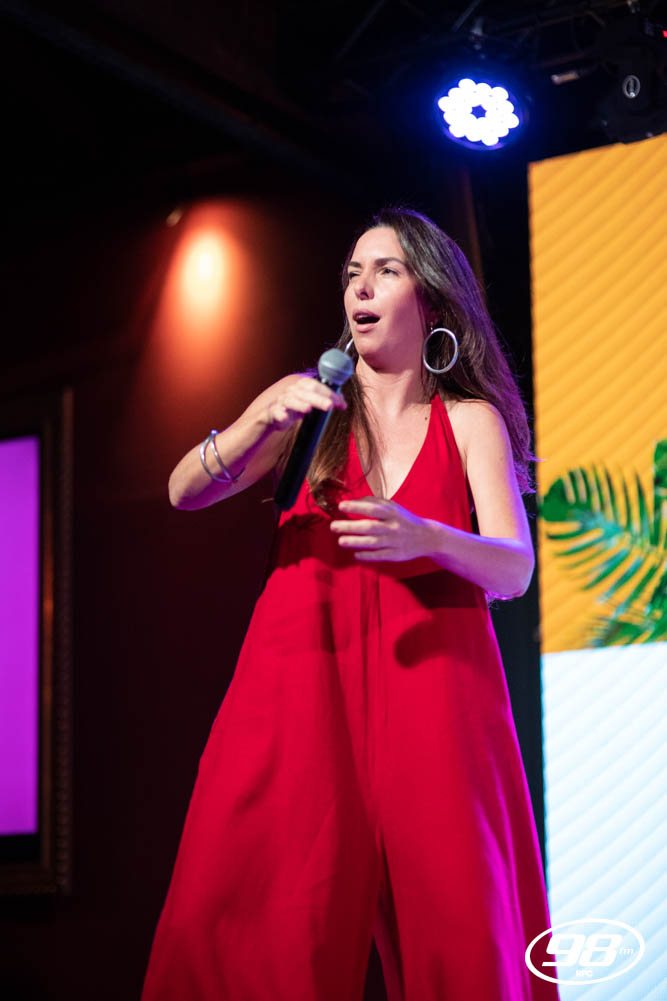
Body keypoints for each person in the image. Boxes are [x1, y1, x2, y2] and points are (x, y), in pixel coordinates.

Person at [140, 207, 561, 1001]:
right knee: (255, 918)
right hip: (302, 686)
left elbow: (512, 566)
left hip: (436, 696)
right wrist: (255, 419)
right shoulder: (309, 409)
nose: (360, 288)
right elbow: (182, 491)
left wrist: (427, 537)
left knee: (461, 929)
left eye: (385, 271)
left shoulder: (468, 420)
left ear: (430, 298)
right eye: (351, 275)